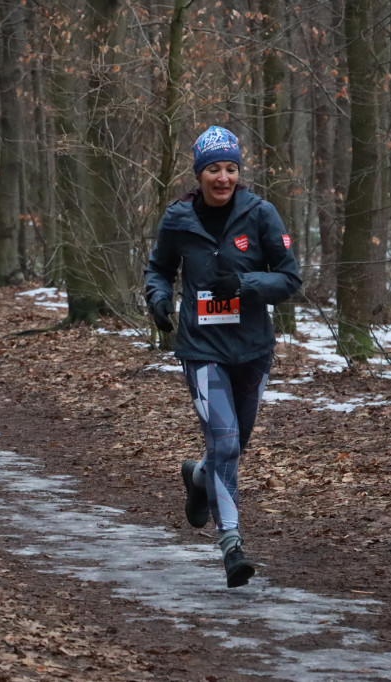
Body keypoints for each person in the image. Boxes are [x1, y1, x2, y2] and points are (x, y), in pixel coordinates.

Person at [144, 126, 302, 588]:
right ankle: (231, 544)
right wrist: (158, 298)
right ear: (200, 173)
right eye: (214, 168)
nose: (223, 177)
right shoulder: (178, 218)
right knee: (226, 441)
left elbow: (290, 279)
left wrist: (248, 285)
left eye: (231, 168)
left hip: (252, 348)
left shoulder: (261, 214)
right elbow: (159, 268)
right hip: (201, 349)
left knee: (234, 445)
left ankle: (198, 478)